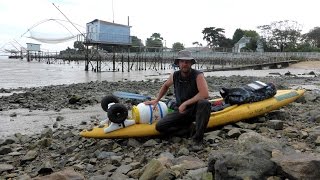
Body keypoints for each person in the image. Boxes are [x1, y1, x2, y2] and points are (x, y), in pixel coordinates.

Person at [144, 50, 211, 146]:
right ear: (178, 63)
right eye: (182, 61)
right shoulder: (175, 75)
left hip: (195, 110)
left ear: (191, 63)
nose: (185, 64)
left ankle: (198, 139)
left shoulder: (198, 75)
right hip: (181, 110)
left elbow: (204, 94)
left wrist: (185, 103)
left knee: (205, 103)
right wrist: (156, 100)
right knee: (160, 126)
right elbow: (165, 86)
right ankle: (188, 129)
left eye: (187, 62)